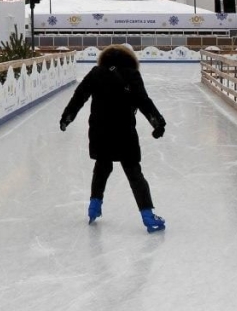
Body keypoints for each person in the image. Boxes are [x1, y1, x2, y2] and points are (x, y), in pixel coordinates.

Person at [59, 44, 167, 233]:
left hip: (100, 130)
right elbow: (143, 101)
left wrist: (67, 117)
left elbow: (79, 96)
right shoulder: (132, 74)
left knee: (102, 166)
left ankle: (94, 206)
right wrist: (158, 123)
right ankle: (148, 216)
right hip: (124, 131)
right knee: (134, 172)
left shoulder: (96, 73)